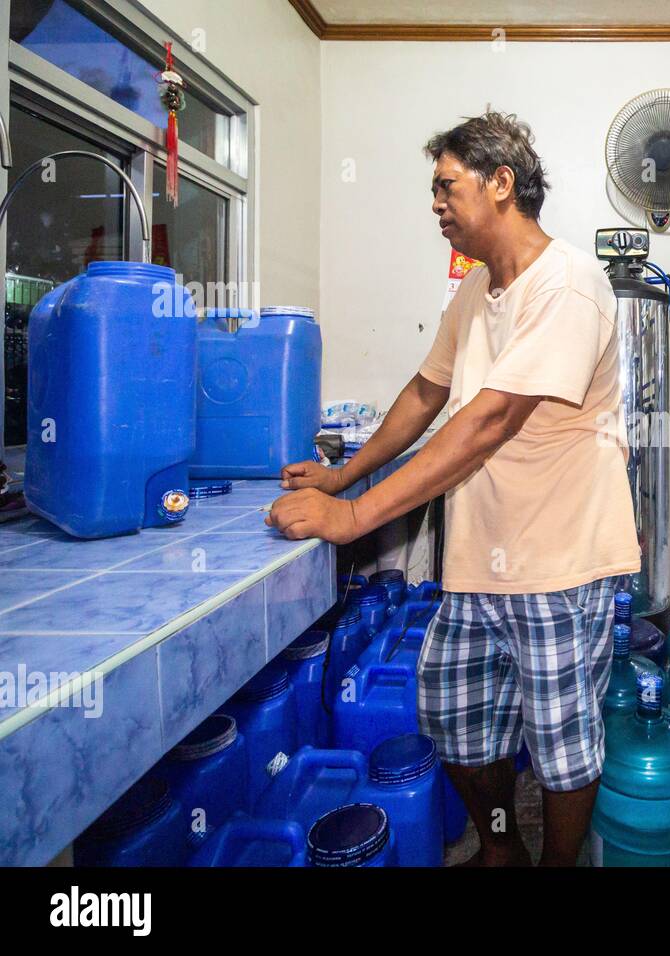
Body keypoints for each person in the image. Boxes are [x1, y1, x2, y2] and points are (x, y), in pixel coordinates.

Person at [266, 109, 640, 866]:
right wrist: (345, 472)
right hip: (480, 561)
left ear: (501, 184)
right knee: (457, 717)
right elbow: (426, 393)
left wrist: (351, 516)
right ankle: (501, 845)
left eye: (446, 187)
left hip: (562, 566)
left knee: (563, 747)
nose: (434, 205)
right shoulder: (475, 292)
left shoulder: (566, 284)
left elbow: (488, 420)